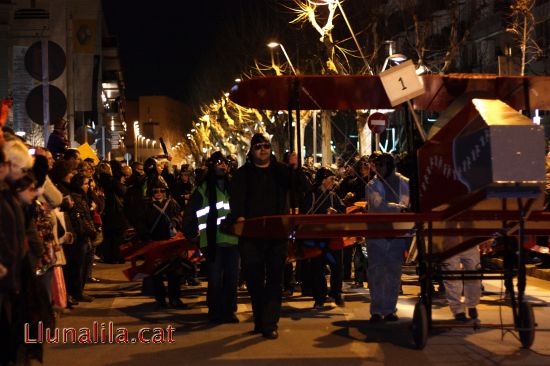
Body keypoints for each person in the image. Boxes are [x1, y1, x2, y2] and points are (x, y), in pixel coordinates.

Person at [230, 133, 293, 340]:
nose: (263, 150)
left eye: (266, 146)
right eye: (258, 146)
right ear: (252, 150)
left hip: (277, 234)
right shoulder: (242, 174)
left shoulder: (281, 171)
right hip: (251, 235)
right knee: (255, 280)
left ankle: (270, 323)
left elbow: (300, 186)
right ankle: (260, 320)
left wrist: (293, 166)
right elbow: (236, 200)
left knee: (275, 280)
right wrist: (239, 217)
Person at [184, 151, 239, 323]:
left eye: (224, 163)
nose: (221, 165)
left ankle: (229, 311)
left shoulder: (234, 187)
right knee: (215, 279)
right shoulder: (203, 189)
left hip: (233, 240)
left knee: (232, 278)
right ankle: (215, 311)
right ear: (211, 166)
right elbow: (191, 213)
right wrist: (192, 234)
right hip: (212, 241)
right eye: (218, 163)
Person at [366, 153, 410, 322]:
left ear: (389, 166)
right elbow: (378, 206)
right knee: (376, 273)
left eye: (380, 166)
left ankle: (390, 309)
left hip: (398, 234)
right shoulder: (372, 185)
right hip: (377, 234)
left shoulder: (405, 183)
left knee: (394, 273)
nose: (377, 169)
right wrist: (400, 209)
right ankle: (376, 310)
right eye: (376, 166)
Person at [302, 167, 346, 309]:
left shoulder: (333, 196)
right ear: (323, 180)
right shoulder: (312, 195)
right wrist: (322, 214)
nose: (333, 182)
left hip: (332, 238)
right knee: (317, 268)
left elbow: (343, 211)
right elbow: (305, 215)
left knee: (337, 266)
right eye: (331, 179)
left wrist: (336, 212)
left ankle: (336, 292)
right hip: (316, 239)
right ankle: (319, 297)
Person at [144, 178, 185, 310]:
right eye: (156, 191)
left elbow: (179, 216)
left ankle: (175, 299)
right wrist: (145, 236)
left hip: (170, 241)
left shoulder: (172, 203)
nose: (159, 193)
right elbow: (140, 222)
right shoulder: (146, 205)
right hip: (154, 241)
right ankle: (160, 300)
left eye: (162, 190)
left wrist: (175, 221)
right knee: (157, 272)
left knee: (175, 271)